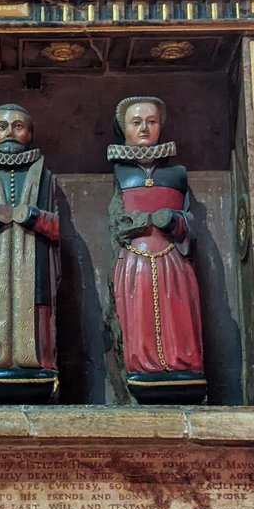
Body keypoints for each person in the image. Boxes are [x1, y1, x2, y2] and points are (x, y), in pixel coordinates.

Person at [108, 96, 206, 404]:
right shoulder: (122, 174)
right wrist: (139, 223)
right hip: (136, 258)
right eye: (136, 123)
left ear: (161, 126)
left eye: (151, 122)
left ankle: (182, 366)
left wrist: (174, 221)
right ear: (123, 129)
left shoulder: (176, 173)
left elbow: (190, 223)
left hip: (172, 258)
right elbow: (117, 224)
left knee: (178, 310)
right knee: (137, 314)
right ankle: (142, 366)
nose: (144, 129)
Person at [0, 104, 59, 404]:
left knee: (37, 314)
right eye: (2, 126)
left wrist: (33, 216)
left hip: (34, 265)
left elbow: (56, 227)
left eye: (18, 126)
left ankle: (37, 365)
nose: (10, 132)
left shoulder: (44, 177)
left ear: (30, 135)